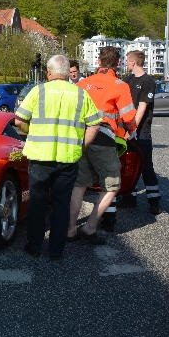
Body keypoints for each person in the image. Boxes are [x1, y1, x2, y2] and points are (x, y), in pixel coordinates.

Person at [14, 54, 101, 260]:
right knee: (62, 205)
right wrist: (81, 145)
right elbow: (94, 124)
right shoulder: (80, 94)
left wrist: (30, 130)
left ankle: (34, 246)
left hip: (40, 157)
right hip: (68, 158)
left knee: (38, 203)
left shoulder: (38, 91)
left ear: (49, 72)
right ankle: (56, 250)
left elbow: (19, 121)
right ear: (67, 73)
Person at [68, 47, 137, 243]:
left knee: (79, 184)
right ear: (118, 63)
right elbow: (129, 117)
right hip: (104, 138)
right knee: (112, 185)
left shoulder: (83, 84)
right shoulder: (120, 85)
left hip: (80, 138)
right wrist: (132, 132)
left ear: (98, 61)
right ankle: (90, 227)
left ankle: (70, 230)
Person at [120, 50, 161, 215]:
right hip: (126, 130)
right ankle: (129, 197)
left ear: (133, 63)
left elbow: (142, 108)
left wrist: (132, 128)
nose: (126, 64)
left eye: (127, 61)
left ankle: (154, 201)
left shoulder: (148, 81)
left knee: (145, 166)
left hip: (141, 132)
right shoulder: (127, 80)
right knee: (127, 165)